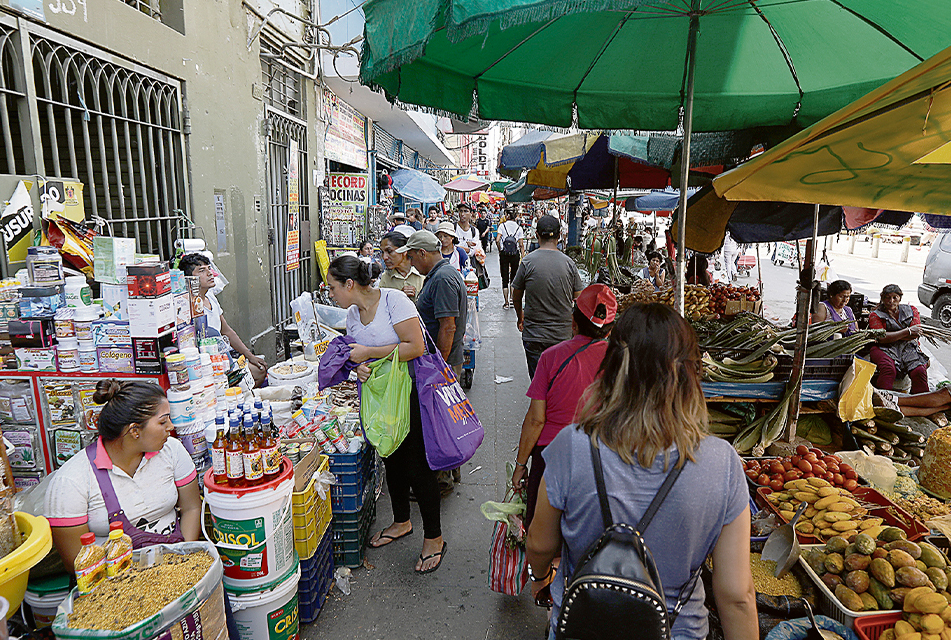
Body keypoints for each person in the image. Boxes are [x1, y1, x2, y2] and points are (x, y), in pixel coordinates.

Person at [526, 304, 757, 640]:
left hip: (582, 626)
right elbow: (737, 595)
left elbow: (539, 543)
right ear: (691, 374)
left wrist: (540, 577)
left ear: (612, 366)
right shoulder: (722, 463)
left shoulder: (571, 446)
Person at [325, 256, 446, 574]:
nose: (330, 293)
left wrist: (370, 353)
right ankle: (401, 521)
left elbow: (415, 347)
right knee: (390, 458)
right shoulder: (352, 315)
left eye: (333, 287)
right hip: (379, 397)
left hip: (410, 392)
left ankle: (434, 538)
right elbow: (356, 356)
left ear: (349, 284)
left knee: (417, 465)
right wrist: (359, 366)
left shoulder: (394, 301)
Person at [46, 380, 200, 562]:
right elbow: (77, 562)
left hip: (174, 564)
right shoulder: (70, 481)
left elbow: (192, 507)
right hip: (109, 579)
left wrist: (183, 558)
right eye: (163, 421)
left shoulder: (171, 450)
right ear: (134, 430)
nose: (171, 427)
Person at [512, 284, 616, 529]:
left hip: (551, 455)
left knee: (542, 533)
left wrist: (520, 466)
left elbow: (536, 420)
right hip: (601, 458)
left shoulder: (551, 357)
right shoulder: (622, 361)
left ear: (573, 322)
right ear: (610, 330)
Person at [399, 230, 468, 495]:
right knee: (444, 420)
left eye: (412, 256)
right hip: (442, 360)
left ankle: (441, 482)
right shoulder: (439, 275)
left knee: (438, 424)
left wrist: (439, 366)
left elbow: (448, 327)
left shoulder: (442, 278)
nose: (411, 262)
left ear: (422, 253)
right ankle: (450, 473)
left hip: (444, 362)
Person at [179, 253, 268, 387]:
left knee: (259, 371)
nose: (210, 273)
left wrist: (251, 356)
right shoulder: (188, 306)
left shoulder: (210, 297)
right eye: (202, 271)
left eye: (209, 268)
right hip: (206, 365)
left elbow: (227, 331)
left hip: (223, 358)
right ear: (190, 278)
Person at [512, 215, 584, 379]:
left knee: (539, 384)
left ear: (537, 235)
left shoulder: (527, 262)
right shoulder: (569, 264)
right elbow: (579, 299)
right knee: (559, 385)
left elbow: (516, 295)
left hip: (534, 336)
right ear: (559, 236)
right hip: (562, 336)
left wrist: (519, 316)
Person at [869, 284, 930, 395]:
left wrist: (892, 336)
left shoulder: (911, 310)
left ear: (900, 298)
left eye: (894, 298)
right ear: (882, 298)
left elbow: (916, 333)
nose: (891, 301)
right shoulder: (875, 315)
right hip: (884, 348)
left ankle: (920, 402)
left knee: (919, 370)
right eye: (887, 298)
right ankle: (883, 400)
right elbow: (881, 338)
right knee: (888, 369)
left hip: (908, 347)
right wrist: (907, 331)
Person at [379, 230, 425, 302]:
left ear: (403, 251)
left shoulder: (422, 273)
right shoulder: (386, 278)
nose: (384, 257)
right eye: (382, 252)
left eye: (389, 251)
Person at [496, 209, 525, 309]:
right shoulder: (519, 228)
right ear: (515, 217)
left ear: (507, 216)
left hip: (504, 254)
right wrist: (523, 255)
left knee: (504, 278)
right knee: (514, 278)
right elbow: (521, 244)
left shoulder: (502, 226)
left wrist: (500, 250)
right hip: (515, 254)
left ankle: (506, 302)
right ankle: (512, 299)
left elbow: (497, 239)